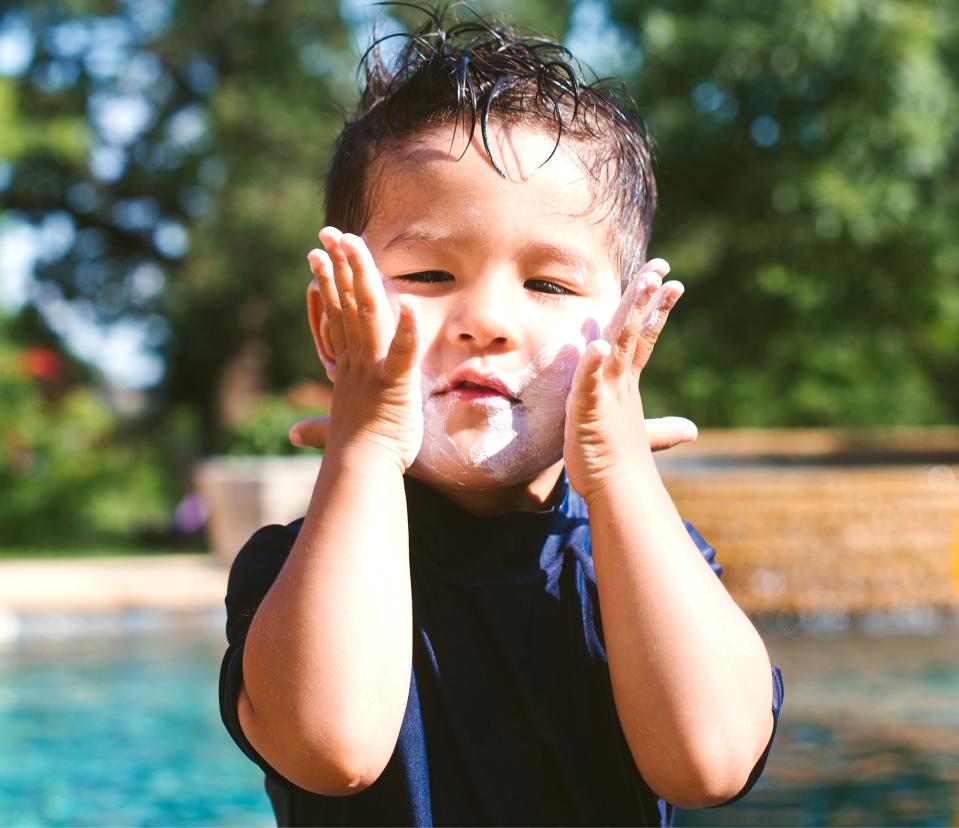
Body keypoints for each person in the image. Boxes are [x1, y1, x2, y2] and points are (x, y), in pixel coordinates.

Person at [219, 7, 783, 826]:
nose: (487, 321)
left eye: (549, 286)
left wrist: (621, 474)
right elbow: (331, 748)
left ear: (630, 330)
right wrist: (366, 445)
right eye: (429, 274)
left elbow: (709, 765)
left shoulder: (639, 562)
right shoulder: (288, 570)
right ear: (334, 325)